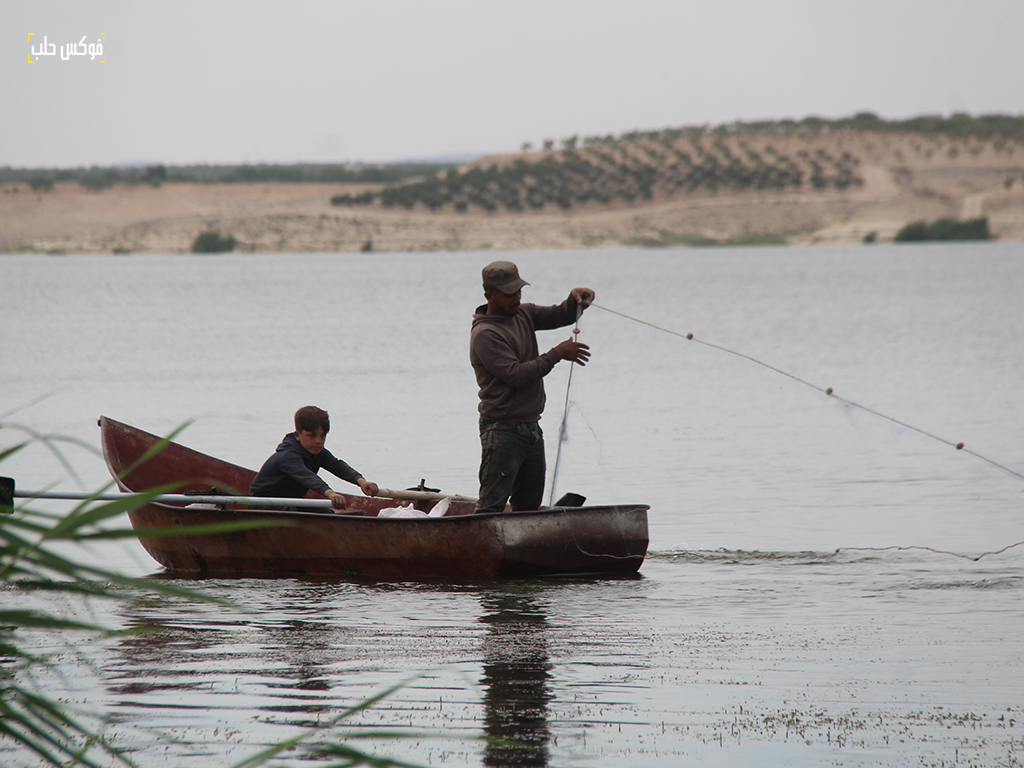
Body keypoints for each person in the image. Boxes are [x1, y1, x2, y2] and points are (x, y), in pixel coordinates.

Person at [470, 260, 594, 514]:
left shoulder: (523, 313)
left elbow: (560, 314)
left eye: (518, 292)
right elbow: (516, 375)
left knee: (528, 506)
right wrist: (557, 353)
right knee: (490, 507)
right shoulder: (486, 333)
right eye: (508, 295)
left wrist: (574, 302)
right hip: (502, 430)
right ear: (489, 296)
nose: (516, 299)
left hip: (530, 429)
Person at [249, 405, 379, 512]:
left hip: (293, 499)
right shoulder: (288, 456)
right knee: (292, 514)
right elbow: (307, 476)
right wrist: (330, 494)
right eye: (312, 435)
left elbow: (337, 466)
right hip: (263, 501)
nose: (318, 441)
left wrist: (361, 481)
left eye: (322, 436)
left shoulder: (318, 452)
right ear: (298, 435)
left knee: (328, 513)